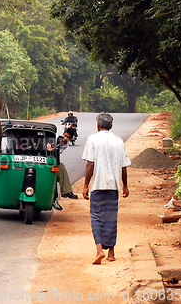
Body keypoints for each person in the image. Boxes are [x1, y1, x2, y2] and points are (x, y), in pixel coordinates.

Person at [81, 112, 131, 265]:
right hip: (113, 186)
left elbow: (90, 164)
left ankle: (99, 250)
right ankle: (111, 252)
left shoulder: (93, 139)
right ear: (111, 126)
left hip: (98, 186)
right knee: (111, 217)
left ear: (98, 125)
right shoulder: (118, 141)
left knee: (96, 217)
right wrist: (125, 185)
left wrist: (85, 185)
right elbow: (123, 166)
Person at [52, 127, 78, 211]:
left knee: (61, 168)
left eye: (68, 137)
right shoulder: (58, 140)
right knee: (60, 168)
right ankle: (65, 192)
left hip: (53, 161)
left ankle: (65, 192)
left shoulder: (65, 144)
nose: (66, 138)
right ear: (63, 134)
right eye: (65, 136)